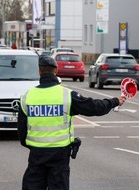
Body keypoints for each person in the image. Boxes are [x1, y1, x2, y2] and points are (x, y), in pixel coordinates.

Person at [17, 55, 126, 190]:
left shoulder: (26, 97)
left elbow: (22, 134)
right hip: (59, 156)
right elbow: (94, 107)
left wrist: (36, 147)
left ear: (39, 71)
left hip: (36, 156)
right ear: (56, 71)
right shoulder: (66, 95)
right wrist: (114, 101)